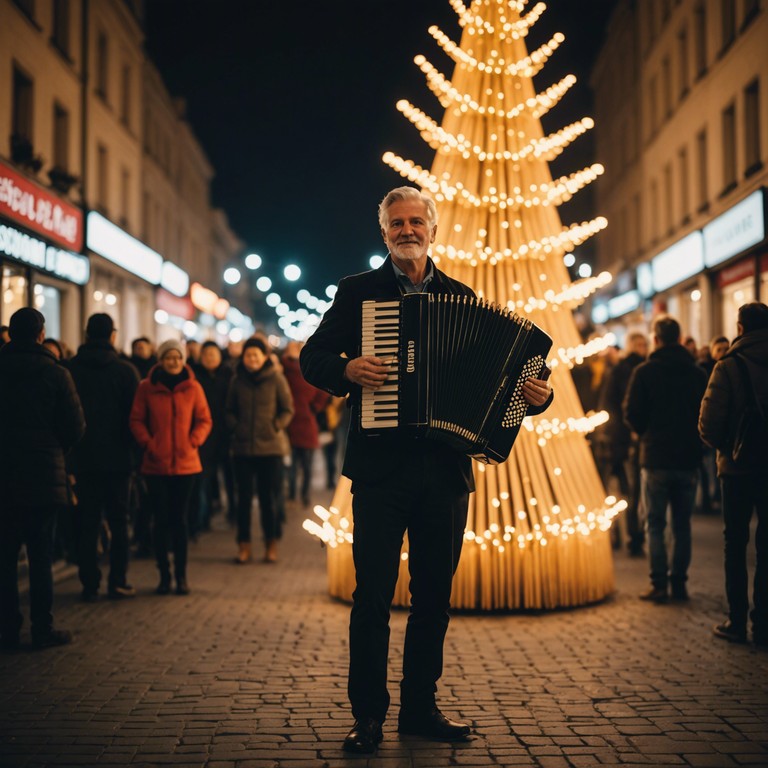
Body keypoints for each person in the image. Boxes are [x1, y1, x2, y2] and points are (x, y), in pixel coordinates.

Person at [299, 186, 553, 753]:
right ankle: (367, 715)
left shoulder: (462, 298)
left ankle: (419, 708)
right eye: (397, 224)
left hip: (444, 474)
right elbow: (311, 356)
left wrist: (537, 397)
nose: (407, 231)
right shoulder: (358, 294)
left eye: (417, 222)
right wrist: (347, 369)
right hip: (380, 472)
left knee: (433, 599)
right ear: (383, 232)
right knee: (372, 599)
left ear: (433, 230)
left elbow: (506, 384)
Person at [0, 307, 85, 650]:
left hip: (4, 473)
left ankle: (7, 629)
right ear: (40, 334)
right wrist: (54, 449)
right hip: (42, 475)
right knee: (40, 555)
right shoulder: (56, 373)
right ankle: (41, 628)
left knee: (5, 559)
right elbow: (76, 428)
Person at [623, 315, 708, 603]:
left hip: (655, 457)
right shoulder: (696, 373)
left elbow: (632, 413)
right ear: (679, 338)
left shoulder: (645, 372)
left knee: (655, 523)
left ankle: (659, 584)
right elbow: (707, 414)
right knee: (682, 525)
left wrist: (645, 433)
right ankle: (679, 583)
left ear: (656, 339)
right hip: (688, 459)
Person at [699, 302, 768, 646]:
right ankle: (764, 624)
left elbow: (708, 423)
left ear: (740, 328)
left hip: (736, 471)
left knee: (735, 544)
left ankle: (737, 621)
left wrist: (725, 447)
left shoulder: (728, 366)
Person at [129, 339, 211, 595]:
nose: (173, 362)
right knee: (160, 520)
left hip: (186, 465)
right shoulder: (147, 387)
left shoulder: (193, 387)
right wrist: (148, 443)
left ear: (183, 359)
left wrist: (193, 441)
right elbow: (136, 419)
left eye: (177, 357)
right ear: (160, 360)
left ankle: (181, 576)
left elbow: (204, 419)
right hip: (156, 464)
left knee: (180, 521)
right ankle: (164, 575)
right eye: (168, 358)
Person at [67, 313, 140, 602]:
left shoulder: (70, 369)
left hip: (83, 459)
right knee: (119, 520)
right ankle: (118, 580)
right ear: (112, 335)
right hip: (118, 460)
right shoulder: (125, 371)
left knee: (88, 521)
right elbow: (135, 417)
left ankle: (89, 582)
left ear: (86, 334)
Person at [226, 336, 294, 564]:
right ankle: (243, 545)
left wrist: (275, 426)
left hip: (270, 449)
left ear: (264, 356)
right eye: (248, 355)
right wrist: (235, 427)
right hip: (242, 449)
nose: (252, 359)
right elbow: (229, 410)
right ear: (243, 357)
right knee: (243, 501)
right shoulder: (237, 380)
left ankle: (270, 544)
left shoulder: (276, 378)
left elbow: (287, 409)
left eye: (256, 354)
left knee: (268, 500)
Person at [597, 331, 649, 556]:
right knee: (623, 491)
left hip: (637, 439)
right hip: (621, 440)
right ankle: (621, 534)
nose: (641, 347)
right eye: (637, 344)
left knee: (633, 492)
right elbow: (610, 403)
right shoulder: (622, 370)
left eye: (643, 343)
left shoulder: (647, 367)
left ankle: (633, 535)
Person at [192, 341, 235, 532]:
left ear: (220, 356)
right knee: (205, 479)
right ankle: (204, 516)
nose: (210, 357)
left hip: (226, 434)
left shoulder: (229, 375)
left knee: (230, 477)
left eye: (213, 354)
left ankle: (234, 512)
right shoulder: (194, 377)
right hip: (204, 436)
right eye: (206, 354)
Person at [281, 340, 330, 508]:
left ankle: (300, 494)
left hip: (303, 422)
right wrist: (314, 408)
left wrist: (314, 407)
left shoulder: (300, 368)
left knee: (302, 463)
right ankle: (298, 493)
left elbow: (323, 391)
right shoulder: (284, 368)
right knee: (296, 463)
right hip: (294, 422)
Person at [697, 335, 730, 514]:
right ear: (711, 352)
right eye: (719, 350)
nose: (723, 353)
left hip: (724, 429)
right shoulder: (704, 370)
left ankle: (715, 495)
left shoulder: (733, 367)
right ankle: (708, 497)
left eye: (726, 349)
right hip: (709, 427)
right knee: (708, 465)